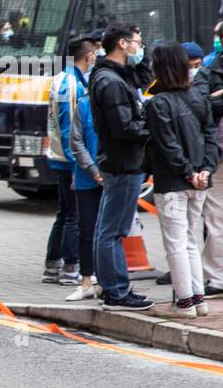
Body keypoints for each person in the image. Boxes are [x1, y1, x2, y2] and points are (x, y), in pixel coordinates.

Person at [144, 42, 218, 318]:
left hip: (173, 182)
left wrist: (188, 172)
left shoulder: (158, 103)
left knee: (175, 241)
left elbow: (168, 145)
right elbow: (211, 137)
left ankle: (185, 301)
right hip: (200, 180)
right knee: (189, 240)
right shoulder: (198, 97)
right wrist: (204, 171)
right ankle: (197, 299)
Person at [90, 24, 151, 311]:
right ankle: (115, 290)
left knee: (108, 228)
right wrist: (152, 127)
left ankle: (112, 287)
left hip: (119, 161)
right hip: (123, 162)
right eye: (138, 42)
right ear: (123, 44)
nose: (141, 47)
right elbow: (124, 127)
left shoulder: (114, 75)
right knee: (112, 231)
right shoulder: (111, 82)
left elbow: (144, 78)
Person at [55, 39, 104, 300]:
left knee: (103, 230)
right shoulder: (79, 97)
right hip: (84, 172)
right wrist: (88, 169)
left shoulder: (68, 81)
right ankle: (80, 275)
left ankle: (103, 279)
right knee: (82, 225)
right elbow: (73, 138)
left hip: (104, 174)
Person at [42, 48, 87, 286]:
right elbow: (69, 126)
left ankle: (52, 266)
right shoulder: (71, 84)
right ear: (88, 55)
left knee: (64, 213)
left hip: (58, 155)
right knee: (73, 215)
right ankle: (71, 268)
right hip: (67, 159)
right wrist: (75, 164)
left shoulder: (61, 78)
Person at [192, 46, 223, 296]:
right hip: (217, 155)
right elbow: (200, 106)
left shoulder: (208, 72)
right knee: (216, 217)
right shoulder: (207, 72)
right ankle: (217, 278)